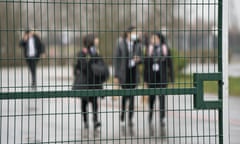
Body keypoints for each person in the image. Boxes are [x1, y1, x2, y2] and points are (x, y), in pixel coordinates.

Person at [73, 33, 109, 136]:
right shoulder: (82, 53)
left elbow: (100, 63)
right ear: (91, 40)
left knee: (95, 102)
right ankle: (85, 122)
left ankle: (95, 121)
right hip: (85, 82)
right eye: (96, 39)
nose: (97, 40)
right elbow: (81, 66)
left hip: (94, 82)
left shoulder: (95, 52)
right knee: (84, 103)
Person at [144, 32, 174, 136]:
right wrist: (145, 80)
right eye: (152, 38)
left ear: (160, 39)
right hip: (152, 79)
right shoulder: (149, 49)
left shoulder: (165, 49)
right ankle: (150, 115)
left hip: (162, 78)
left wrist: (172, 79)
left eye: (155, 38)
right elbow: (146, 65)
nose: (153, 39)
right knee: (151, 99)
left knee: (162, 99)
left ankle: (162, 118)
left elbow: (170, 64)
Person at [114, 26, 142, 135]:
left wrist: (138, 59)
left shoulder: (138, 44)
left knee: (132, 98)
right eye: (134, 32)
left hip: (134, 73)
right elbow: (116, 60)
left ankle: (130, 118)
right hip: (124, 74)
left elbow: (142, 58)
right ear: (128, 33)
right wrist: (116, 75)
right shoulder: (120, 43)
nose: (135, 34)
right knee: (125, 97)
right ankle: (122, 115)